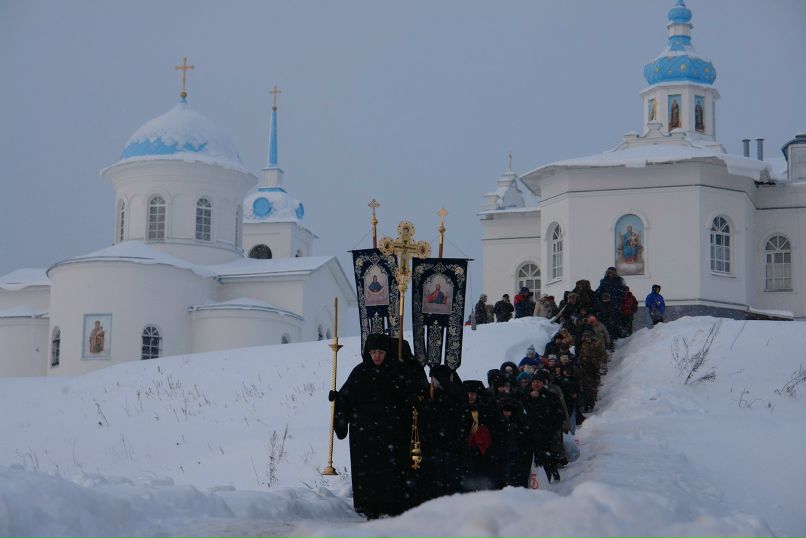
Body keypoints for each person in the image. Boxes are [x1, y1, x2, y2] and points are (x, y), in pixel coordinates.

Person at [331, 333, 412, 519]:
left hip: (390, 431)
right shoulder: (359, 372)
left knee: (389, 468)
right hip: (364, 433)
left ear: (387, 353)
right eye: (373, 352)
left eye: (381, 352)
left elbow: (406, 399)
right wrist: (337, 398)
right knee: (367, 470)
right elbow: (346, 398)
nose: (377, 356)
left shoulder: (395, 372)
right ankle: (369, 506)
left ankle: (390, 505)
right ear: (368, 353)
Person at [420, 364, 471, 501]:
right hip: (436, 448)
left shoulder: (455, 395)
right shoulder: (430, 395)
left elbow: (464, 421)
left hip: (451, 447)